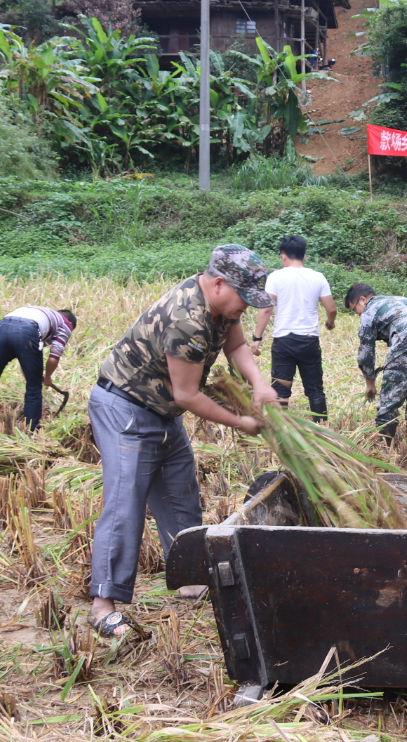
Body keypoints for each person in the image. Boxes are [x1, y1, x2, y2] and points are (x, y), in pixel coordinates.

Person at [88, 245, 278, 638]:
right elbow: (188, 395)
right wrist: (239, 421)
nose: (245, 307)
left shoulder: (222, 307)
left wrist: (260, 385)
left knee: (180, 494)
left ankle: (191, 580)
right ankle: (102, 604)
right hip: (126, 407)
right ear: (221, 283)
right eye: (244, 298)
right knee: (126, 503)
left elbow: (237, 346)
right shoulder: (187, 318)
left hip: (161, 412)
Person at [251, 235, 336, 421]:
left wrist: (257, 338)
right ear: (304, 257)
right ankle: (323, 429)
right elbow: (331, 309)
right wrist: (330, 322)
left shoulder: (275, 277)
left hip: (283, 341)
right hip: (309, 340)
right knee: (315, 389)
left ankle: (282, 428)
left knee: (281, 390)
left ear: (283, 257)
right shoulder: (318, 277)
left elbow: (266, 309)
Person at [344, 283, 407, 445]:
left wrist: (370, 382)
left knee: (389, 400)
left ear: (362, 300)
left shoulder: (370, 311)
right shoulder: (403, 300)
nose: (358, 314)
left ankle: (384, 450)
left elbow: (366, 352)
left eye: (355, 309)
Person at [0, 306, 77, 432]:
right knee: (34, 387)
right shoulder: (65, 323)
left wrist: (32, 374)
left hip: (1, 328)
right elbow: (54, 357)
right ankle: (31, 431)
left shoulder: (41, 313)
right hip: (27, 330)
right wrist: (47, 377)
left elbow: (24, 358)